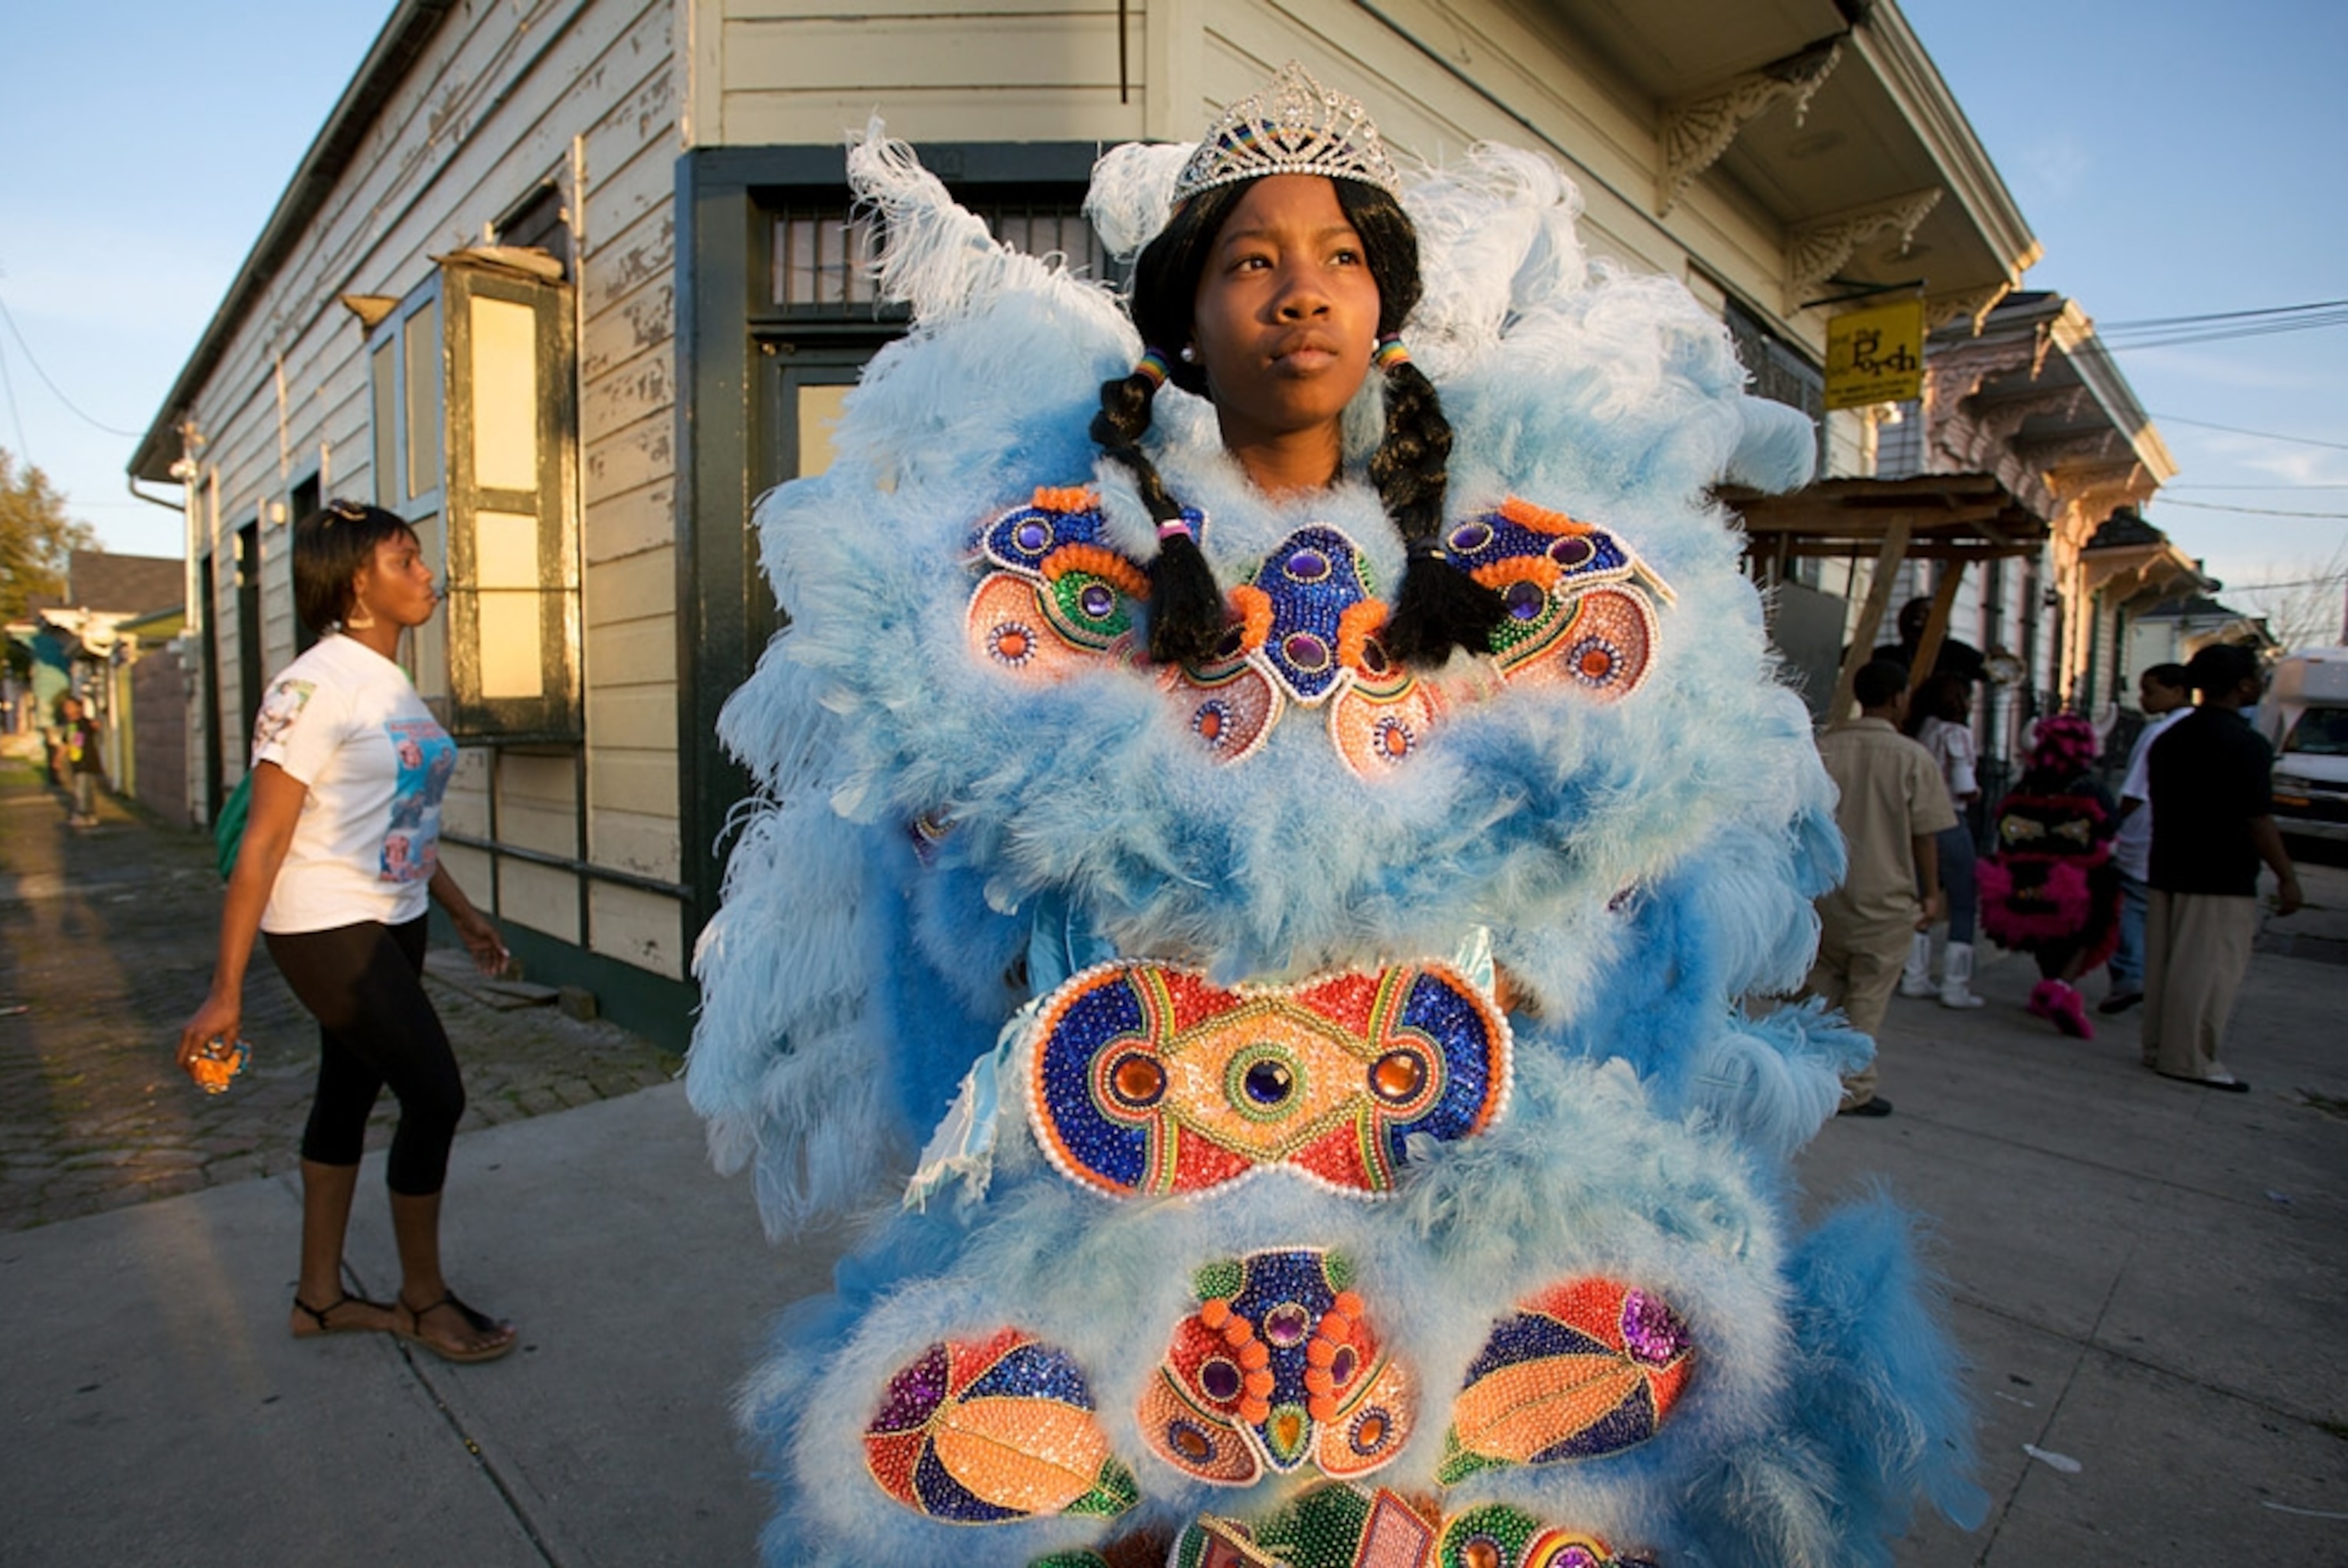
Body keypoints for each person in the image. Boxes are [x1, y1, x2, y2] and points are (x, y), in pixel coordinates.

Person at [686, 67, 1980, 1564]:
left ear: (1385, 310)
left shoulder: (1522, 577)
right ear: (1185, 315)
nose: (1300, 295)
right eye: (1253, 260)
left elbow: (1631, 913)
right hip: (1130, 1189)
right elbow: (961, 923)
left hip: (1450, 1187)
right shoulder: (1041, 572)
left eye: (1340, 260)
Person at [176, 501, 517, 1363]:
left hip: (393, 914)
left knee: (346, 1095)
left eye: (419, 557)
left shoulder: (391, 683)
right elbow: (263, 840)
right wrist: (224, 991)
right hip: (325, 920)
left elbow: (399, 818)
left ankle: (320, 1299)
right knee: (436, 1092)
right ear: (356, 583)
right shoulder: (312, 685)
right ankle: (423, 1296)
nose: (426, 572)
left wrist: (465, 916)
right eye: (405, 560)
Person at [2140, 643, 2304, 1090]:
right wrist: (2286, 876)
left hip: (2169, 860)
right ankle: (2189, 1056)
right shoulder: (2246, 744)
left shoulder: (2169, 739)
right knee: (2207, 970)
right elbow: (2257, 817)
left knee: (2166, 964)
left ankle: (2158, 1043)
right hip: (2220, 871)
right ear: (2242, 685)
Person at [1804, 659, 1957, 1117]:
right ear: (1898, 699)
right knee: (1867, 997)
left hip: (1825, 893)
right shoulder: (1912, 758)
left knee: (1818, 994)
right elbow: (1926, 833)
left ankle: (1806, 1078)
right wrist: (1931, 892)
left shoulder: (1823, 748)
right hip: (1885, 898)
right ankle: (1853, 1086)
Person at [1978, 714, 2121, 1039]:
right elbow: (2109, 831)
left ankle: (2050, 987)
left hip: (2023, 878)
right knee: (2088, 931)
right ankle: (2059, 987)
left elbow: (2003, 828)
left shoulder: (2023, 787)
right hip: (2080, 880)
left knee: (2043, 934)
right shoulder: (2090, 788)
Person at [2101, 663, 2191, 1013]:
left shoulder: (2159, 733)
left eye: (2150, 691)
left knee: (2129, 907)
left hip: (2144, 831)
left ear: (2177, 691)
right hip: (2176, 835)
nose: (2143, 699)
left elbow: (2135, 790)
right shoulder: (2195, 730)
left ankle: (2130, 974)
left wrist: (2113, 823)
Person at [1900, 671, 1986, 1008]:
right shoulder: (1957, 733)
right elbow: (1964, 783)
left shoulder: (1922, 731)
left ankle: (1914, 975)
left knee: (1922, 895)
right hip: (1951, 818)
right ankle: (1955, 984)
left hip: (1918, 822)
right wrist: (1975, 792)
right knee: (1963, 899)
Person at [1872, 594, 1987, 687]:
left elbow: (1991, 670)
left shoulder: (1955, 652)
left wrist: (1999, 660)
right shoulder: (1889, 656)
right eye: (1925, 615)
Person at [57, 692, 103, 827]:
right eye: (66, 707)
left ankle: (84, 814)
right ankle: (87, 814)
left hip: (86, 761)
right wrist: (59, 758)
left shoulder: (83, 723)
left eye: (70, 707)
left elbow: (91, 730)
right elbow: (66, 743)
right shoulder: (70, 725)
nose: (67, 710)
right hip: (76, 761)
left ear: (78, 708)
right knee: (81, 788)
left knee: (83, 790)